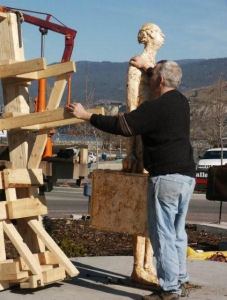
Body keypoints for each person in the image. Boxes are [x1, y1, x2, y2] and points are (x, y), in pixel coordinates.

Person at [66, 57, 196, 300]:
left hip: (165, 177)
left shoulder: (154, 107)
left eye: (152, 75)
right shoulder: (182, 102)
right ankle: (179, 278)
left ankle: (169, 289)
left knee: (163, 235)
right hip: (186, 178)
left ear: (158, 80)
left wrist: (86, 115)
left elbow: (123, 125)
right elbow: (162, 78)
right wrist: (147, 67)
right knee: (177, 232)